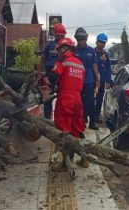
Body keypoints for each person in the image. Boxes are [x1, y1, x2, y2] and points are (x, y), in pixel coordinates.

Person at [49, 38, 87, 169]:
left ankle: (66, 164)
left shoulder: (62, 62)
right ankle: (84, 158)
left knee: (64, 131)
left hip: (65, 97)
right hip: (77, 98)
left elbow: (53, 77)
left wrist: (49, 85)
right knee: (77, 128)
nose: (59, 52)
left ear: (65, 49)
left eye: (60, 49)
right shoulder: (80, 63)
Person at [37, 23, 66, 119]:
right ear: (54, 34)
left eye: (62, 36)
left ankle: (61, 121)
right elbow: (42, 61)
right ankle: (47, 121)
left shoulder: (66, 46)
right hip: (49, 76)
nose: (60, 37)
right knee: (47, 100)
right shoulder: (48, 45)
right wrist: (38, 75)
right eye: (58, 35)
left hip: (62, 77)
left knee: (63, 100)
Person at [74, 28, 100, 131]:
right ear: (77, 39)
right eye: (79, 39)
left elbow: (94, 66)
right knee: (79, 102)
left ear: (86, 38)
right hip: (77, 81)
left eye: (83, 39)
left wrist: (97, 79)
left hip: (89, 81)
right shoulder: (74, 51)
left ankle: (92, 122)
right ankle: (81, 121)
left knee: (90, 102)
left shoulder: (91, 51)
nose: (81, 41)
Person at [94, 33, 112, 124]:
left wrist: (108, 81)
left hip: (102, 82)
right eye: (100, 42)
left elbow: (108, 68)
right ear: (96, 42)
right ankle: (87, 116)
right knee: (89, 100)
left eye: (104, 43)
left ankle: (96, 116)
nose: (102, 44)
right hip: (91, 81)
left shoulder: (106, 55)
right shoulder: (91, 52)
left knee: (99, 100)